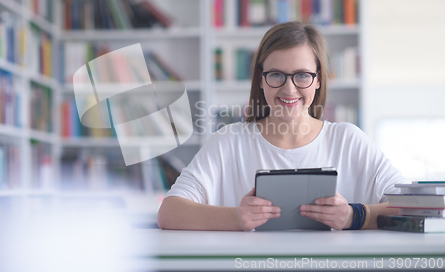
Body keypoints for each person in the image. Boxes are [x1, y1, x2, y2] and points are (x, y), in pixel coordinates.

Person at [157, 21, 407, 231]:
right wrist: (235, 218)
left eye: (302, 75)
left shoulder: (348, 140)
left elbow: (411, 206)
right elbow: (169, 212)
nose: (289, 89)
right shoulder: (228, 142)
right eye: (276, 74)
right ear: (261, 80)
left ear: (318, 79)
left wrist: (354, 216)